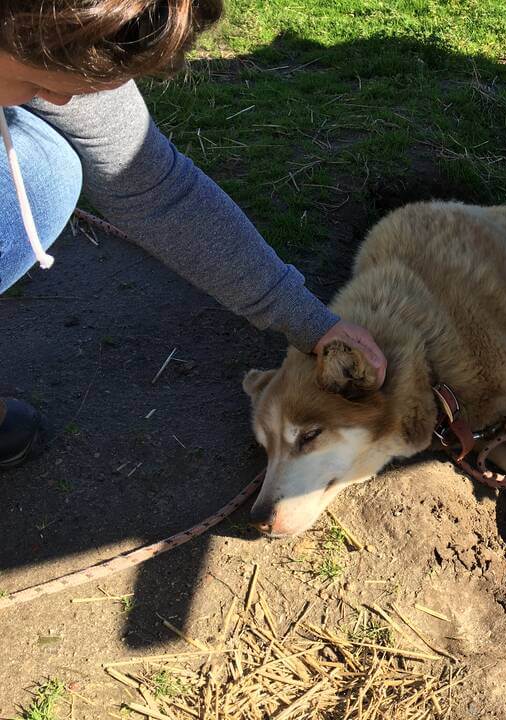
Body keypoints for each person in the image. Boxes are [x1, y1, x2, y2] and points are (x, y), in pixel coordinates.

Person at [0, 0, 387, 468]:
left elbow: (153, 189)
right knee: (45, 179)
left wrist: (307, 319)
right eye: (39, 83)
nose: (57, 101)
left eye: (81, 88)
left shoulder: (63, 42)